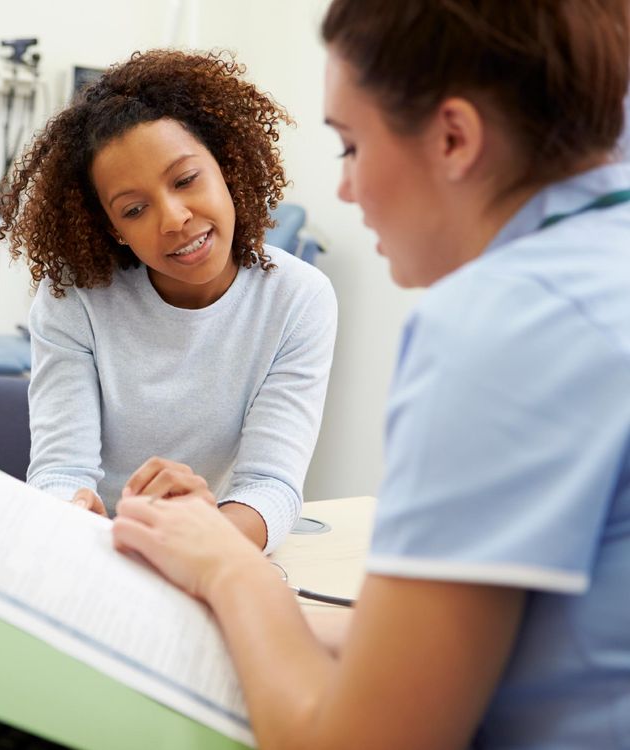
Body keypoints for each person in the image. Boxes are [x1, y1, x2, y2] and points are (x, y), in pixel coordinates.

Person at [112, 1, 630, 748]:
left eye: (350, 146)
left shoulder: (502, 327)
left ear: (454, 137)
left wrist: (232, 571)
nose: (347, 190)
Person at [0, 50, 337, 552]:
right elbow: (60, 469)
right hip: (96, 554)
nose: (173, 218)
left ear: (225, 163)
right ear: (115, 229)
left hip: (206, 549)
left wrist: (202, 536)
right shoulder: (75, 295)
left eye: (185, 180)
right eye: (135, 209)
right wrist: (69, 513)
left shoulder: (298, 299)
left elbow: (271, 486)